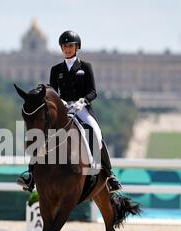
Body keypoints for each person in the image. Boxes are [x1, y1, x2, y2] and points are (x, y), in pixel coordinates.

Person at [17, 30, 122, 194]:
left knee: (95, 132)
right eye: (64, 46)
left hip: (82, 108)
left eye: (70, 46)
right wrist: (60, 101)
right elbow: (52, 91)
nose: (67, 49)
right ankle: (30, 174)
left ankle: (109, 175)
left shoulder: (86, 67)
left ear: (77, 47)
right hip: (63, 109)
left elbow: (93, 91)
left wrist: (83, 101)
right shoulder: (56, 69)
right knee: (42, 133)